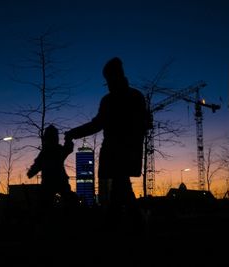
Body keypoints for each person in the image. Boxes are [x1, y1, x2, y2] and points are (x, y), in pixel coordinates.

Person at [64, 57, 149, 226]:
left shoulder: (110, 101)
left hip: (116, 153)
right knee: (121, 189)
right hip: (127, 152)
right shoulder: (135, 96)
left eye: (109, 80)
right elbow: (144, 126)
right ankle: (126, 224)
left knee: (119, 189)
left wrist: (74, 133)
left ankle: (118, 226)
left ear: (113, 78)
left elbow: (97, 124)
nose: (108, 84)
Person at [27, 124, 78, 218]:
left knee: (44, 203)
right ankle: (72, 216)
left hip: (48, 181)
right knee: (68, 199)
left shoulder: (45, 151)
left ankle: (43, 220)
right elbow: (68, 148)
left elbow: (38, 163)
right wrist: (68, 139)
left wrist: (31, 172)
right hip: (60, 179)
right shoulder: (57, 150)